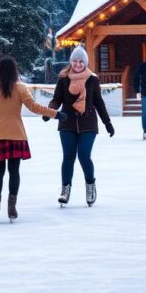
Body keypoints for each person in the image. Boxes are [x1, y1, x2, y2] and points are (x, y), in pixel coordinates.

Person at [0, 57, 63, 222]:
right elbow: (34, 107)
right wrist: (56, 114)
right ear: (15, 70)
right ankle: (11, 207)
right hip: (16, 135)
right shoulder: (20, 88)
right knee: (14, 171)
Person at [47, 46, 113, 207]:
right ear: (71, 62)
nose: (77, 64)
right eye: (75, 61)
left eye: (81, 61)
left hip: (88, 123)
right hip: (67, 122)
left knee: (84, 155)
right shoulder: (63, 79)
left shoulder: (92, 79)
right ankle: (65, 189)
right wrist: (50, 110)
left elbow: (99, 102)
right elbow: (57, 99)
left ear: (85, 63)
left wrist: (107, 123)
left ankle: (90, 185)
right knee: (68, 157)